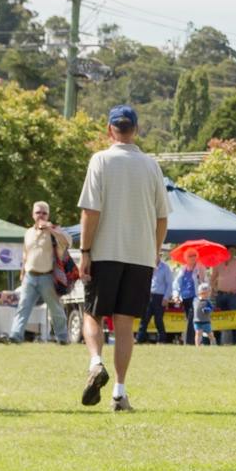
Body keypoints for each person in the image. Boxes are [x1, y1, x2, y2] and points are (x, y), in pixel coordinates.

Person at [78, 105, 169, 412]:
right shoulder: (150, 165)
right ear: (136, 130)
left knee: (92, 312)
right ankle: (119, 391)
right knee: (125, 324)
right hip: (140, 255)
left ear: (109, 130)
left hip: (105, 250)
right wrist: (153, 252)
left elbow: (91, 210)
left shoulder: (101, 160)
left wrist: (85, 251)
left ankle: (95, 363)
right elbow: (161, 217)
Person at [8, 201, 71, 344]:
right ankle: (15, 335)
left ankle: (62, 337)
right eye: (38, 212)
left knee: (56, 309)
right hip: (30, 276)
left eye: (44, 213)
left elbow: (67, 242)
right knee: (23, 307)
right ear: (32, 214)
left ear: (48, 215)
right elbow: (25, 253)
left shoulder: (54, 231)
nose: (41, 215)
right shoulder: (28, 232)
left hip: (47, 277)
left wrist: (52, 230)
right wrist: (22, 273)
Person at [139, 252, 173, 345]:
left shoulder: (165, 268)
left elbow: (169, 284)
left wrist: (166, 298)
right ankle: (140, 339)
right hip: (148, 295)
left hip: (159, 296)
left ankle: (162, 339)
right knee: (144, 319)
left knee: (158, 320)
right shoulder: (148, 266)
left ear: (159, 256)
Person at [172, 248, 204, 346]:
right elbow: (176, 284)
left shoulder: (200, 268)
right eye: (190, 256)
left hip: (196, 298)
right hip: (185, 298)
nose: (193, 257)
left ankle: (189, 342)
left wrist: (201, 278)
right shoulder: (182, 269)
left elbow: (205, 283)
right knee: (190, 319)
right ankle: (196, 341)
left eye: (194, 255)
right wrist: (176, 296)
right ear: (186, 258)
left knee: (191, 318)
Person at [193, 280, 215, 347]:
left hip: (206, 321)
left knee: (209, 333)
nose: (205, 295)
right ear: (199, 293)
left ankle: (213, 342)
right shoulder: (195, 300)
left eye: (207, 293)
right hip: (197, 320)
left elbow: (212, 308)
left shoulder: (207, 302)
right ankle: (197, 345)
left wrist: (208, 309)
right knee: (198, 333)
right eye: (203, 293)